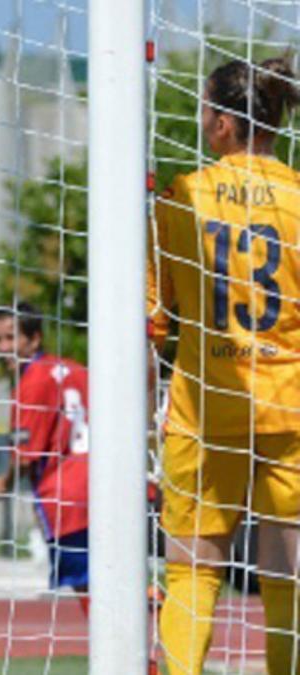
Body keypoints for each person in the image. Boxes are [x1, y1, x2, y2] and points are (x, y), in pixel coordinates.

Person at [148, 55, 300, 675]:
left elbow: (151, 322)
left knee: (192, 572)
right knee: (286, 573)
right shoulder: (297, 199)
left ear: (218, 123)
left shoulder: (182, 196)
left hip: (204, 409)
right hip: (290, 407)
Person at [0, 303, 90, 613]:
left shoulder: (31, 382)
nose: (4, 348)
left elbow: (26, 456)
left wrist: (4, 481)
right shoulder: (77, 370)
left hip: (66, 496)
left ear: (34, 340)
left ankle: (121, 649)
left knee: (86, 581)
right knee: (109, 574)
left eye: (11, 338)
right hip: (103, 482)